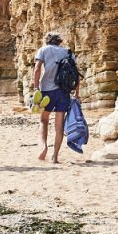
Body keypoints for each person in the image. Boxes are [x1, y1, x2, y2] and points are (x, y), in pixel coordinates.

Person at [31, 31, 79, 164]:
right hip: (64, 92)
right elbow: (75, 74)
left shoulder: (43, 50)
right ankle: (55, 157)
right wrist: (77, 93)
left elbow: (37, 69)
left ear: (47, 40)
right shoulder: (68, 52)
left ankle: (44, 147)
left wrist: (36, 88)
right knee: (59, 126)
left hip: (47, 90)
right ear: (59, 41)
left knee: (43, 120)